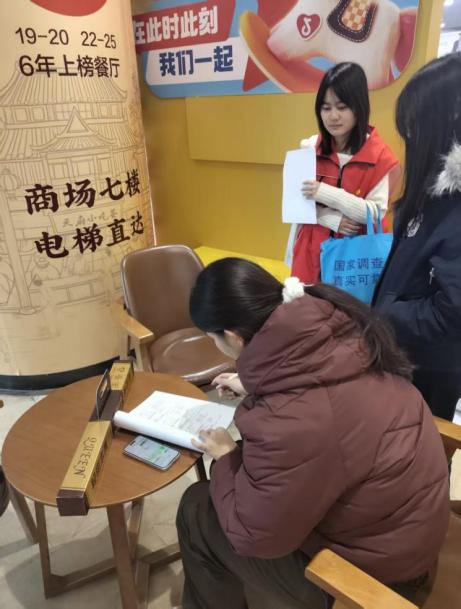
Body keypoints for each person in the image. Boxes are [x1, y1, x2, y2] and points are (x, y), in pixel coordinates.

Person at [176, 258, 449, 609]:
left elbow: (253, 537)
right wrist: (255, 384)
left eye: (211, 338)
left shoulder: (290, 422)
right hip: (408, 539)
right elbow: (326, 402)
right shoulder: (345, 333)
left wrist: (227, 456)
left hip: (373, 579)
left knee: (196, 509)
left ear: (232, 337)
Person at [373, 53, 461, 422]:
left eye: (414, 128)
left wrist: (385, 310)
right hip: (403, 353)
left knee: (416, 444)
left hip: (430, 369)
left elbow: (451, 314)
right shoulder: (432, 193)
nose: (409, 140)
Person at [287, 62, 399, 284]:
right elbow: (294, 205)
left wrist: (323, 192)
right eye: (326, 108)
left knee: (347, 306)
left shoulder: (380, 157)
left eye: (342, 107)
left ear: (359, 107)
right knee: (306, 303)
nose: (333, 116)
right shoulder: (309, 148)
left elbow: (374, 214)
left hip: (353, 261)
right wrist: (330, 219)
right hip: (311, 253)